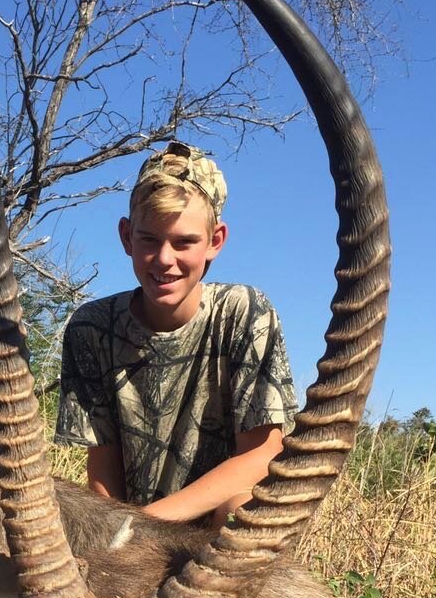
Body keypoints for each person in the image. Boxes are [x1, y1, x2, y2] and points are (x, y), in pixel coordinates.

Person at [55, 141, 297, 525]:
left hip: (204, 527)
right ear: (126, 237)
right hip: (130, 528)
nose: (164, 259)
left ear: (215, 241)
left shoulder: (245, 312)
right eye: (149, 239)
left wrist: (147, 524)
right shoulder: (91, 328)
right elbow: (102, 468)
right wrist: (120, 536)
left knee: (242, 511)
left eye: (184, 242)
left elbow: (262, 454)